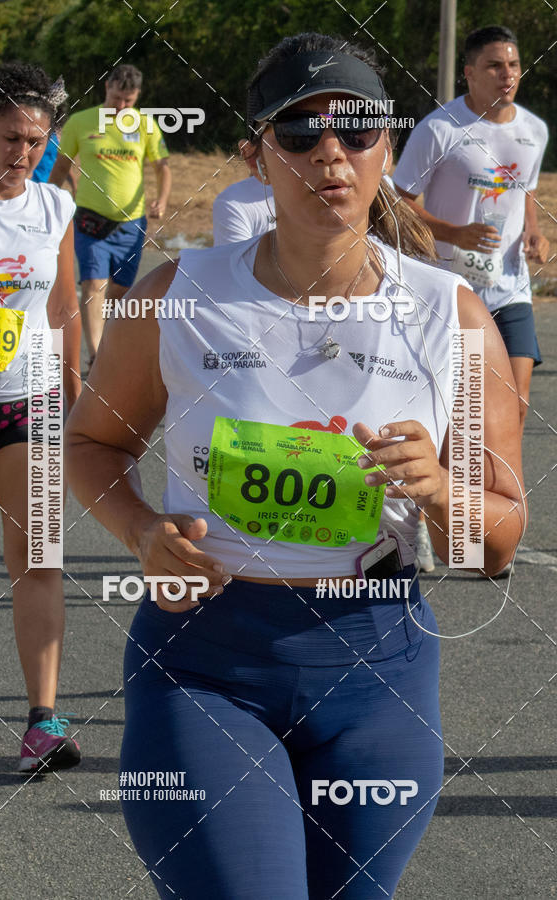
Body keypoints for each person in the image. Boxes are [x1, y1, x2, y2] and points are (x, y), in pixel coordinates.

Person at [65, 33, 524, 899]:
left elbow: (496, 543)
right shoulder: (179, 294)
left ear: (387, 150)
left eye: (356, 133)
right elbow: (93, 443)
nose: (331, 154)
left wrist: (438, 492)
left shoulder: (449, 315)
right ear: (255, 154)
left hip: (378, 672)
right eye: (300, 133)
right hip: (206, 667)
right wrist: (140, 531)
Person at [0, 63, 82, 771]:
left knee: (38, 559)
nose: (23, 153)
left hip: (28, 402)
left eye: (36, 142)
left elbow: (63, 310)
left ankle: (43, 721)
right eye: (11, 138)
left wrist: (72, 394)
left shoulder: (54, 208)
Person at [394, 25, 549, 438]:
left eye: (514, 64)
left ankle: (497, 494)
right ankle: (456, 493)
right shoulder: (439, 129)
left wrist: (534, 233)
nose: (508, 74)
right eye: (495, 65)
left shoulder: (534, 131)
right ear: (470, 73)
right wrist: (453, 234)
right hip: (451, 287)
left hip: (510, 285)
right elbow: (396, 201)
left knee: (514, 405)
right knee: (458, 409)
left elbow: (525, 192)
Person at [49, 64, 171, 370]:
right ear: (107, 87)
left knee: (120, 293)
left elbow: (162, 167)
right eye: (117, 98)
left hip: (132, 223)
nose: (121, 107)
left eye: (128, 101)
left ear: (137, 97)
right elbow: (62, 167)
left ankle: (112, 346)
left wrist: (162, 199)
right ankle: (97, 359)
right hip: (90, 220)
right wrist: (46, 201)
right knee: (93, 285)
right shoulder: (81, 121)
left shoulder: (146, 125)